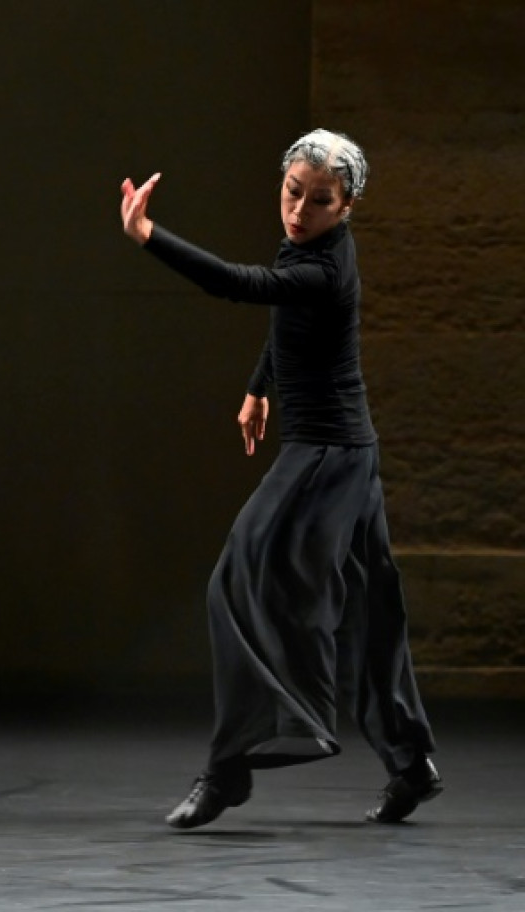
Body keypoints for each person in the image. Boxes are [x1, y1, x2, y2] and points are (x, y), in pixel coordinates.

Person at [118, 129, 441, 829]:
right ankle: (411, 763)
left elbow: (246, 286)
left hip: (326, 455)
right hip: (351, 450)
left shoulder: (325, 266)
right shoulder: (312, 248)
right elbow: (284, 316)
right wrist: (261, 386)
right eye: (292, 193)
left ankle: (230, 769)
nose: (299, 211)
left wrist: (149, 235)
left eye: (319, 201)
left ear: (346, 205)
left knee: (234, 581)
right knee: (370, 609)